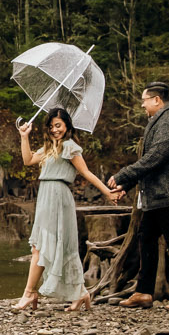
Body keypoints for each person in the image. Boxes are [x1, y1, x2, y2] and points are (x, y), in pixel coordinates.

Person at [106, 82, 169, 310]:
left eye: (144, 100)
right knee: (146, 239)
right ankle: (143, 292)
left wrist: (123, 175)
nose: (142, 105)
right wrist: (127, 185)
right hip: (158, 194)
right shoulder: (160, 120)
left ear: (157, 100)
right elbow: (151, 162)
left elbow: (155, 157)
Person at [14, 106, 116, 312]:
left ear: (67, 126)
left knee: (42, 248)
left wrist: (107, 192)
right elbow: (27, 160)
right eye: (51, 126)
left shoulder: (69, 147)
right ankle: (81, 293)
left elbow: (86, 173)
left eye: (58, 125)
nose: (54, 130)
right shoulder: (49, 148)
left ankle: (29, 292)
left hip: (59, 198)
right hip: (45, 197)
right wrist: (24, 136)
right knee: (48, 247)